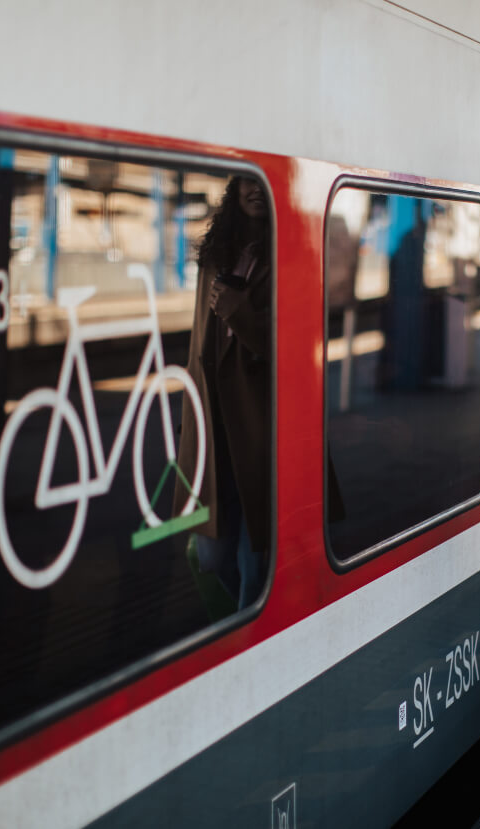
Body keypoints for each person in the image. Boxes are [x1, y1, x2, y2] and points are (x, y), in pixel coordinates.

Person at [177, 175, 272, 610]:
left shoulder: (287, 255)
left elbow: (288, 344)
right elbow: (200, 343)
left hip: (260, 426)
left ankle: (252, 650)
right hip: (215, 422)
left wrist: (241, 313)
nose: (255, 189)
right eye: (246, 181)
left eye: (262, 182)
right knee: (213, 556)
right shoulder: (213, 257)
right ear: (233, 191)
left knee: (256, 566)